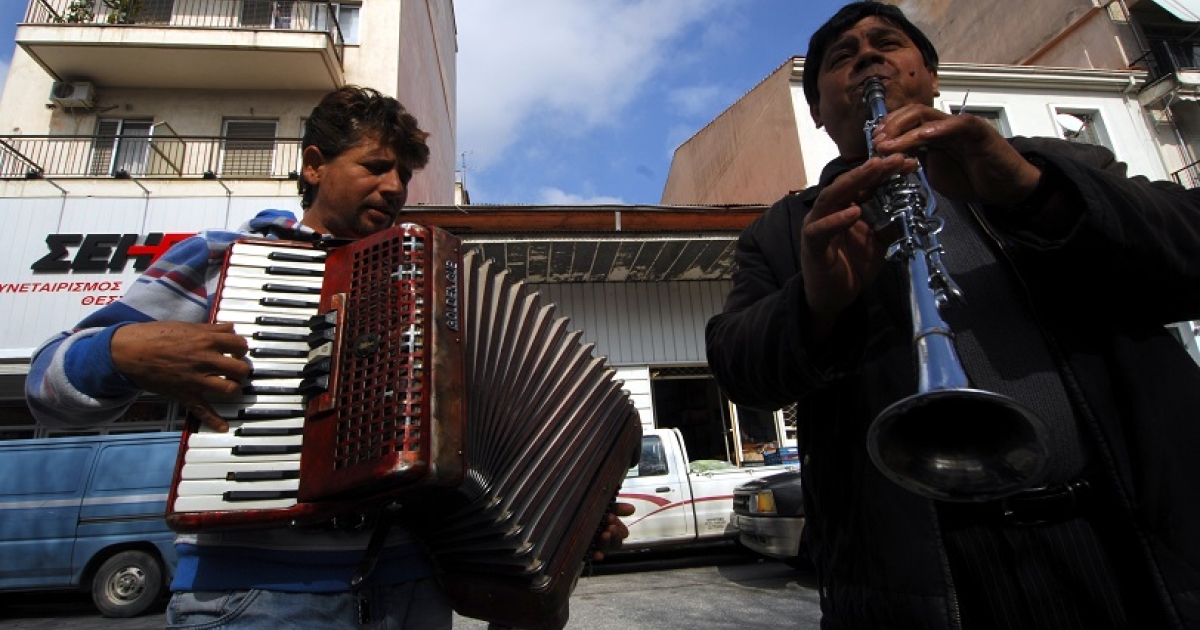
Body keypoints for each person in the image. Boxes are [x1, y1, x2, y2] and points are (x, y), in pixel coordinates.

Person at [25, 85, 631, 629]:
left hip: (417, 596)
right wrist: (119, 352)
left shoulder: (435, 297)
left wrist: (569, 523)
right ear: (314, 165)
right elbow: (45, 384)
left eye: (403, 174)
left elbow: (490, 458)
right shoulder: (221, 260)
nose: (394, 187)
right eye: (375, 166)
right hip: (256, 599)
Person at [705, 3, 1200, 629]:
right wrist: (815, 304)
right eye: (842, 57)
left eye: (888, 43)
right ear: (819, 112)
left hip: (1126, 540)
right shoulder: (783, 231)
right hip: (927, 576)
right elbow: (738, 370)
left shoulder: (1053, 165)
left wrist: (1037, 193)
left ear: (932, 78)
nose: (867, 57)